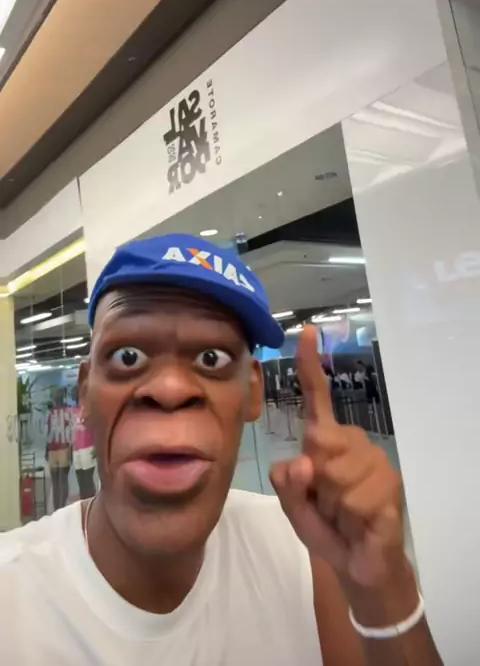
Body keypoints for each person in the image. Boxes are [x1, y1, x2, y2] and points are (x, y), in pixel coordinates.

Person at [0, 234, 443, 665]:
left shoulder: (307, 551)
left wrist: (384, 591)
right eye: (127, 356)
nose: (170, 389)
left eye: (212, 358)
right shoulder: (11, 592)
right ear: (85, 392)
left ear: (253, 391)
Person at [45, 386, 72, 510]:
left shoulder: (58, 413)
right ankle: (59, 509)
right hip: (58, 449)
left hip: (58, 449)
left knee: (59, 482)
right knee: (59, 481)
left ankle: (60, 508)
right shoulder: (60, 413)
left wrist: (47, 450)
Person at [71, 386, 97, 500]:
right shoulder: (72, 411)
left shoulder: (88, 409)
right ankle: (83, 502)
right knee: (80, 479)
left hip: (87, 447)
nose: (72, 395)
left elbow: (96, 428)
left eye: (74, 393)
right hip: (76, 448)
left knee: (87, 479)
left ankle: (91, 503)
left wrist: (96, 447)